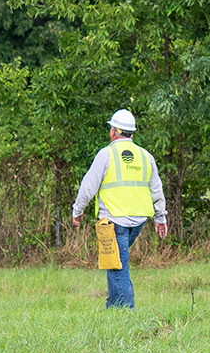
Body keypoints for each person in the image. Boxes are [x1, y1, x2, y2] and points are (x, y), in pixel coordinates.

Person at [71, 109, 167, 309]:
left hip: (115, 220)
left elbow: (88, 186)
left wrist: (77, 210)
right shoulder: (145, 156)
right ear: (131, 133)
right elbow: (156, 190)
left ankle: (126, 312)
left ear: (114, 131)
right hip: (139, 221)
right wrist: (160, 217)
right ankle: (112, 307)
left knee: (118, 265)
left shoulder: (106, 154)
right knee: (113, 259)